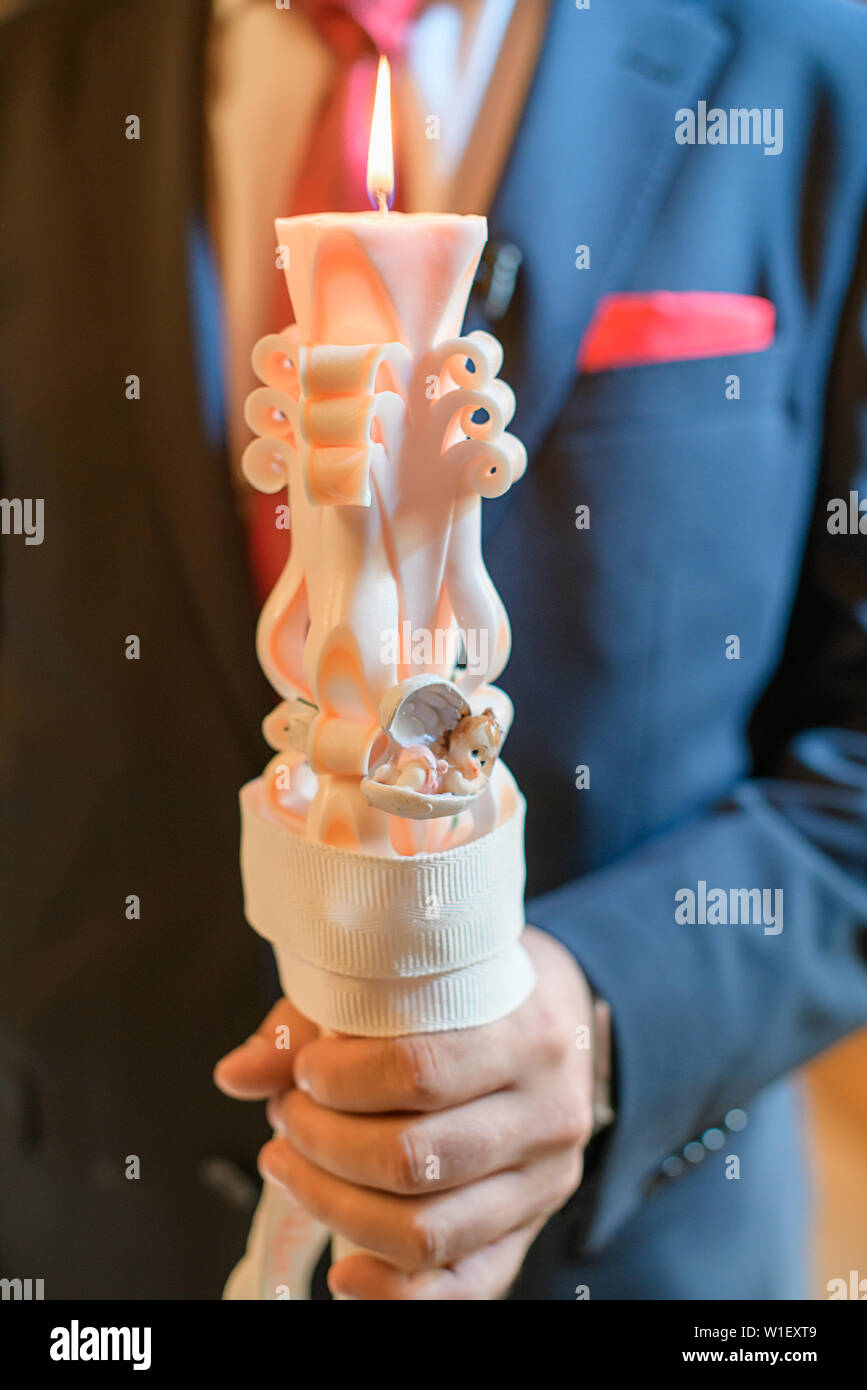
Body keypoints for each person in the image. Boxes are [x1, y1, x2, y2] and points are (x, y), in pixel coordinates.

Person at [1, 0, 866, 1300]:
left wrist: (611, 1011)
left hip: (628, 1262)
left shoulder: (814, 59)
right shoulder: (36, 74)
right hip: (92, 1238)